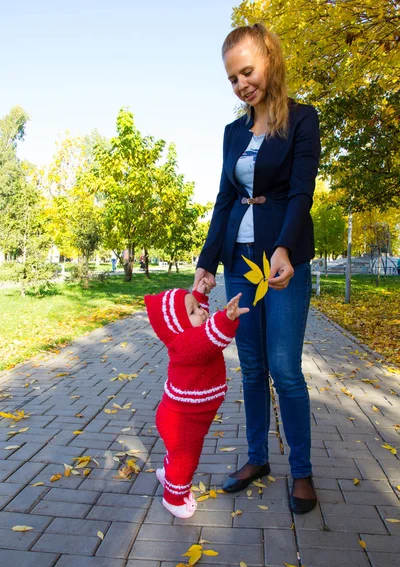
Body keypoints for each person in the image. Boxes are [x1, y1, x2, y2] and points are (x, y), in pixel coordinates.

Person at [194, 23, 321, 514]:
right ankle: (256, 459)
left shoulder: (302, 120)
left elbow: (301, 192)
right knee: (251, 368)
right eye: (232, 78)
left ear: (269, 59)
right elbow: (225, 199)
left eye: (247, 71)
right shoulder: (233, 133)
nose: (241, 84)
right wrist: (207, 265)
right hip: (239, 263)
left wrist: (285, 248)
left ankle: (303, 472)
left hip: (281, 262)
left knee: (285, 370)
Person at [144, 280, 249, 518]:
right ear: (178, 325)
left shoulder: (185, 333)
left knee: (178, 453)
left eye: (197, 307)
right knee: (186, 460)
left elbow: (197, 322)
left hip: (186, 416)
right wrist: (226, 319)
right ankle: (174, 498)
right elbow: (209, 337)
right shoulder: (186, 344)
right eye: (193, 311)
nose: (202, 312)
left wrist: (199, 295)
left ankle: (167, 474)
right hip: (183, 421)